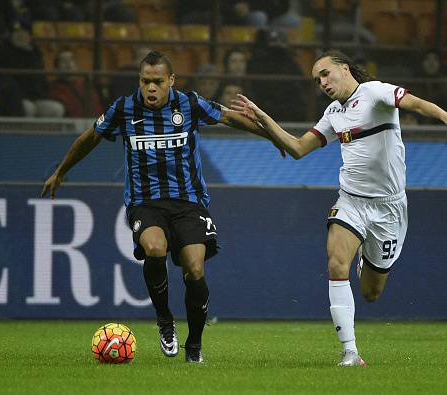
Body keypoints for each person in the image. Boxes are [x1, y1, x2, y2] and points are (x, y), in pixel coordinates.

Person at [231, 50, 447, 366]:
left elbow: (412, 102)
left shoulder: (375, 93)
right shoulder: (333, 113)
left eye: (326, 73)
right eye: (317, 79)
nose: (322, 82)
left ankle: (366, 262)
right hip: (352, 201)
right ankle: (350, 352)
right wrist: (263, 118)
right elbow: (298, 148)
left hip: (389, 209)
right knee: (335, 263)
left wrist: (443, 115)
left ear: (344, 69)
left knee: (371, 292)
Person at [41, 51, 283, 363]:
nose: (151, 88)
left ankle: (193, 345)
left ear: (171, 81)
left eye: (157, 81)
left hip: (189, 202)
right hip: (146, 202)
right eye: (145, 81)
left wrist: (273, 136)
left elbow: (229, 117)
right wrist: (61, 171)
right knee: (155, 248)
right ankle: (165, 320)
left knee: (194, 268)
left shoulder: (190, 104)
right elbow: (91, 136)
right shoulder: (124, 108)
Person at [49, 50, 104, 118]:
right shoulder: (55, 88)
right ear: (56, 69)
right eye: (63, 61)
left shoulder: (87, 85)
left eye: (71, 60)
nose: (68, 64)